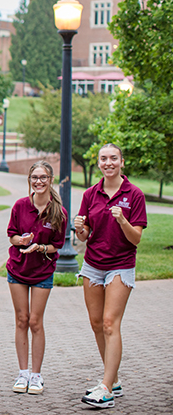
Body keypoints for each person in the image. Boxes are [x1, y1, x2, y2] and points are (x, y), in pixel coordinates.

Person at [75, 144, 146, 409]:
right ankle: (113, 378)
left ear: (122, 162)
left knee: (109, 323)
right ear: (99, 163)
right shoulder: (91, 194)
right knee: (95, 323)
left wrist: (123, 221)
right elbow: (85, 236)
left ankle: (105, 389)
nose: (108, 163)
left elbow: (136, 238)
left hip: (120, 265)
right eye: (103, 159)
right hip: (93, 265)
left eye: (113, 158)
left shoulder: (134, 194)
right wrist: (80, 229)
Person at [6, 161, 66, 395]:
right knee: (21, 319)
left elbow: (57, 246)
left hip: (42, 271)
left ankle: (36, 375)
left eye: (43, 177)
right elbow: (11, 235)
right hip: (17, 270)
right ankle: (22, 374)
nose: (39, 182)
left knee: (35, 322)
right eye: (34, 178)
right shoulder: (20, 206)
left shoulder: (58, 211)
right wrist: (20, 241)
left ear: (51, 180)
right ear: (29, 180)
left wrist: (40, 247)